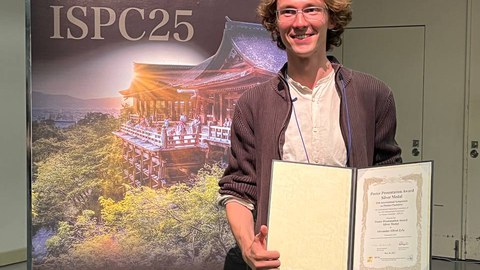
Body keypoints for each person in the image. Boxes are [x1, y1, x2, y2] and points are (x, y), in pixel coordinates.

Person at [218, 0, 402, 269]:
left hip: (348, 258)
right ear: (276, 22)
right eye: (288, 11)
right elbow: (238, 190)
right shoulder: (253, 103)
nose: (300, 22)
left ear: (332, 19)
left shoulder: (372, 94)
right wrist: (248, 247)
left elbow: (387, 182)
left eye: (312, 9)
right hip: (280, 259)